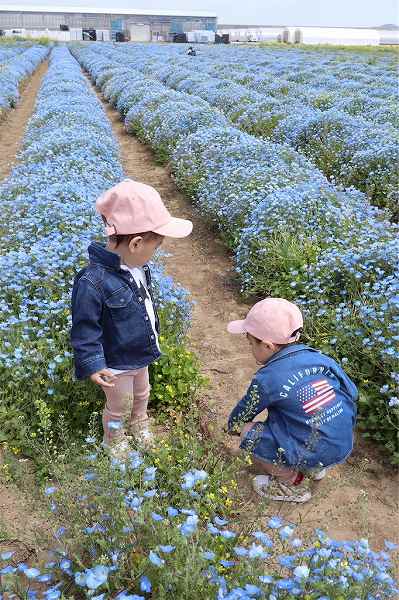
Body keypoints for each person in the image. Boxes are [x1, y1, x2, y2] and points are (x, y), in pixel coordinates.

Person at [71, 179, 192, 456]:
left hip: (140, 352)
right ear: (136, 243)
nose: (155, 252)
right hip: (116, 361)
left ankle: (140, 424)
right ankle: (114, 441)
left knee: (142, 394)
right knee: (118, 406)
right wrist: (93, 364)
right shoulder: (92, 281)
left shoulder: (137, 267)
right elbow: (84, 329)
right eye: (156, 245)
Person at [226, 298, 358, 503]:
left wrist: (232, 426)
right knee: (303, 419)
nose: (250, 348)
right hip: (342, 442)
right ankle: (316, 467)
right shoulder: (319, 357)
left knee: (247, 431)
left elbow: (245, 412)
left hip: (314, 447)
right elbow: (352, 392)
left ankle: (292, 481)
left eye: (251, 343)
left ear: (268, 345)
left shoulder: (268, 379)